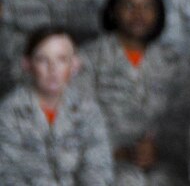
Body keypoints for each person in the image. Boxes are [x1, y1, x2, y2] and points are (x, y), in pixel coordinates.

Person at [75, 0, 190, 185]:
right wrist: (116, 152)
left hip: (163, 163)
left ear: (158, 13)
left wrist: (160, 148)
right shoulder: (87, 59)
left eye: (147, 6)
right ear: (113, 10)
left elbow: (186, 120)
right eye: (129, 5)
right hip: (103, 163)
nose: (139, 14)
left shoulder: (175, 63)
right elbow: (77, 118)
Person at [0, 28, 113, 185]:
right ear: (27, 65)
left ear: (75, 65)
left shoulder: (88, 110)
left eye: (61, 59)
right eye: (42, 60)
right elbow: (7, 174)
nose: (52, 69)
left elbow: (98, 171)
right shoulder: (9, 111)